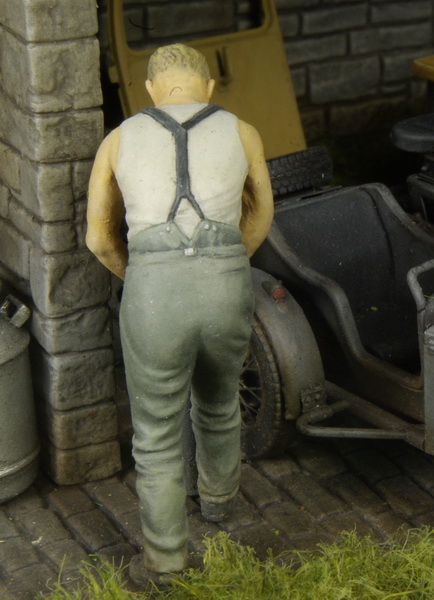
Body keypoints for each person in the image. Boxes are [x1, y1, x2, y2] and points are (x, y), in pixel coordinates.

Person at [86, 44, 274, 585]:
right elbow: (261, 212)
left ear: (150, 89)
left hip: (154, 295)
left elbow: (99, 238)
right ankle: (219, 501)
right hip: (226, 284)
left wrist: (142, 274)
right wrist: (227, 262)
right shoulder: (242, 131)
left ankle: (167, 560)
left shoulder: (118, 139)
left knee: (155, 433)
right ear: (208, 87)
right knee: (219, 400)